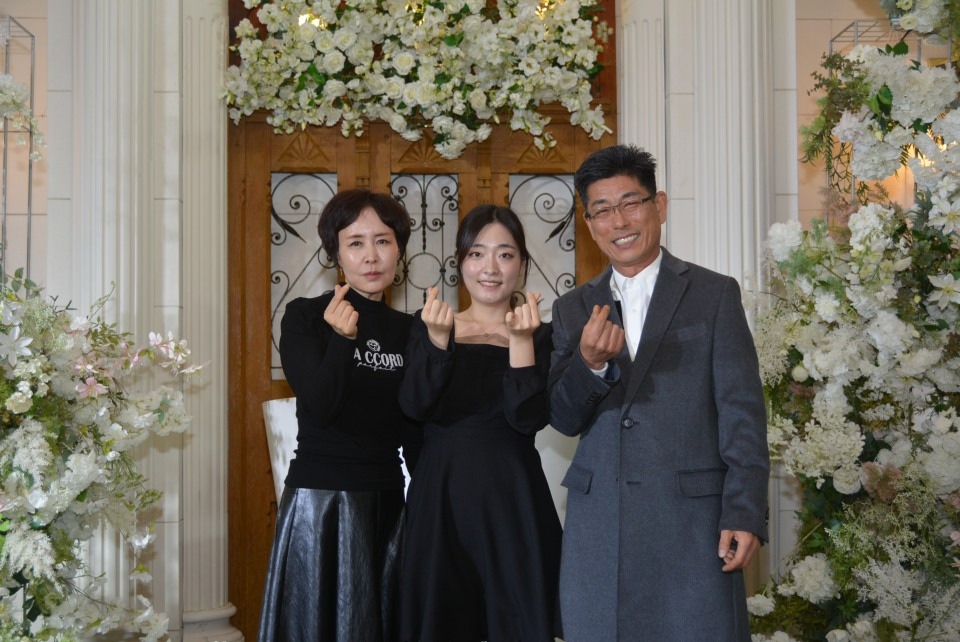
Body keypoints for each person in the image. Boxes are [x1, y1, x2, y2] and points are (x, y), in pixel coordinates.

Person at [548, 145, 769, 641]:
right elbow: (562, 417)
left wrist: (745, 511)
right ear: (590, 224)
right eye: (602, 210)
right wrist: (589, 364)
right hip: (599, 527)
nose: (619, 221)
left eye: (631, 203)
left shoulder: (714, 294)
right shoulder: (572, 308)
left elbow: (743, 414)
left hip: (693, 524)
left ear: (660, 206)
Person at [259, 189, 420, 642]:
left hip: (387, 499)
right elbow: (321, 406)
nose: (371, 256)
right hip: (321, 504)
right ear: (335, 253)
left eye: (383, 241)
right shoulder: (306, 316)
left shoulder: (410, 329)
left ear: (399, 250)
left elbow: (416, 427)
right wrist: (342, 340)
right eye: (355, 243)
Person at [398, 205, 562, 642]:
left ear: (521, 266)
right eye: (477, 253)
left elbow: (527, 420)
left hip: (513, 497)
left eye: (505, 255)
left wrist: (521, 341)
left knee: (518, 620)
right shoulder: (430, 324)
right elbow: (413, 406)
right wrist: (437, 341)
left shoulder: (542, 335)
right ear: (460, 263)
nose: (490, 268)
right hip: (441, 497)